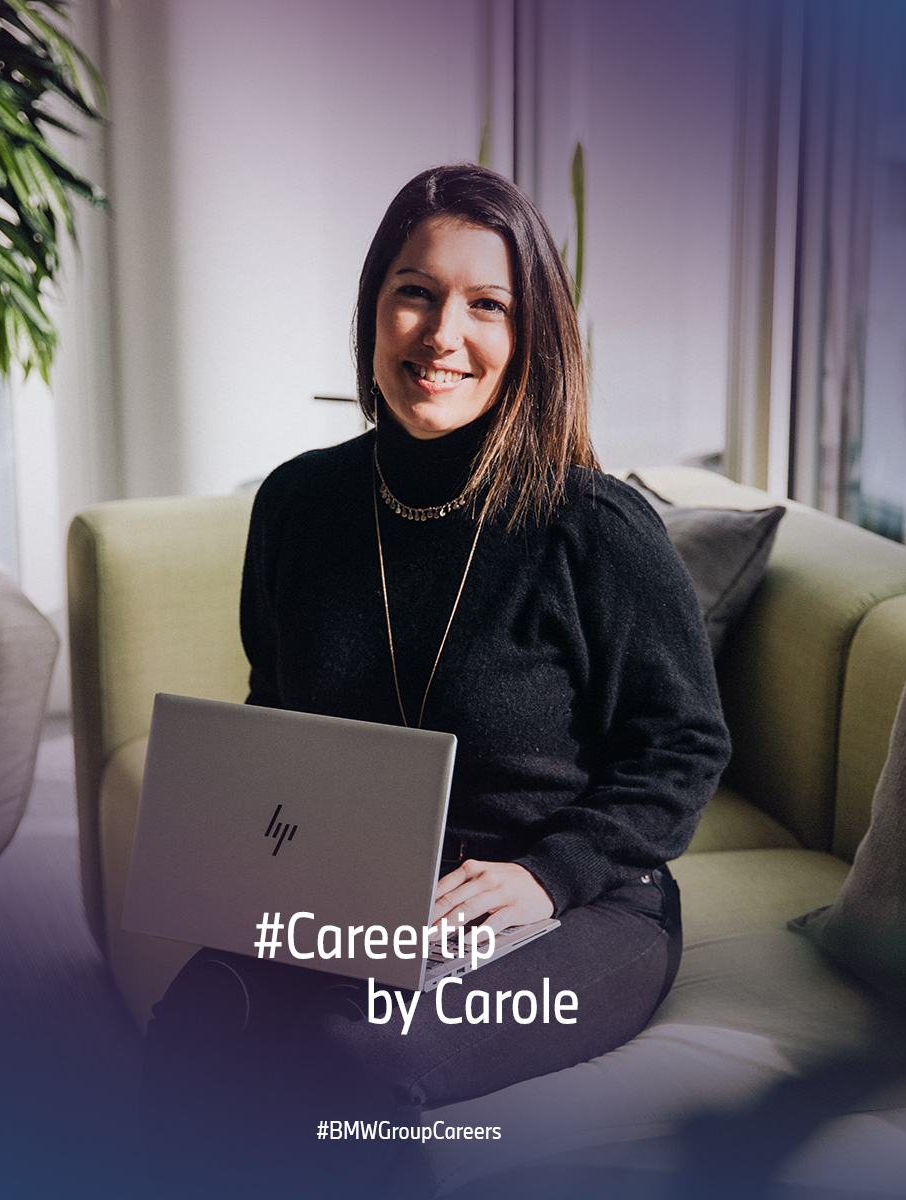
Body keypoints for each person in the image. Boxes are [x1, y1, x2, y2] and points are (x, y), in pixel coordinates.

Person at [141, 164, 731, 1198]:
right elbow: (275, 717)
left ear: (530, 336)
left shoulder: (595, 527)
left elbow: (683, 747)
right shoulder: (296, 506)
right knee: (195, 1024)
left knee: (358, 1062)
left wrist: (548, 874)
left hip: (580, 904)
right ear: (375, 305)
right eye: (416, 291)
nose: (441, 333)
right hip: (362, 891)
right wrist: (246, 865)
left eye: (486, 303)